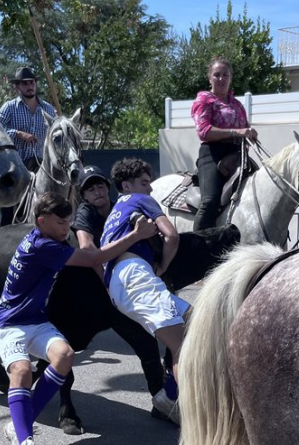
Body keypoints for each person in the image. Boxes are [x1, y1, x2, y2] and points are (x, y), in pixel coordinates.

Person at [0, 191, 156, 444]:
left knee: (65, 356)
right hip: (10, 324)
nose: (66, 229)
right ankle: (24, 439)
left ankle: (19, 425)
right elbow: (95, 257)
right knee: (22, 371)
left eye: (69, 222)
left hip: (36, 321)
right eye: (61, 223)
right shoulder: (42, 246)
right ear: (41, 221)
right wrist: (136, 235)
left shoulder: (45, 239)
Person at [100, 157, 187, 424]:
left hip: (120, 283)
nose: (150, 189)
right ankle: (181, 408)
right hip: (137, 276)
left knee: (195, 321)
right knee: (184, 345)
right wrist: (162, 266)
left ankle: (167, 398)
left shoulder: (116, 212)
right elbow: (172, 236)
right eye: (145, 182)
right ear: (127, 185)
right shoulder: (140, 200)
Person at [190, 57, 258, 231]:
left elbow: (244, 128)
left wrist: (250, 133)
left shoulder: (237, 104)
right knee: (210, 201)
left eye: (225, 75)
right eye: (217, 75)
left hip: (238, 155)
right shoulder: (204, 100)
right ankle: (196, 246)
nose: (221, 79)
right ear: (209, 78)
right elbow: (204, 131)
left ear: (230, 78)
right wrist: (236, 132)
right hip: (213, 154)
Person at [0, 66, 56, 227]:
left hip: (40, 164)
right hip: (15, 163)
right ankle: (3, 230)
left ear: (36, 84)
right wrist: (18, 134)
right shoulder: (9, 107)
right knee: (7, 199)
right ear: (17, 87)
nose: (29, 86)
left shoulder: (48, 109)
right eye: (25, 84)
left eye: (32, 83)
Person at [71, 165, 112, 279]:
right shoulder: (85, 211)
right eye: (91, 190)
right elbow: (86, 246)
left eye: (100, 186)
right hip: (96, 274)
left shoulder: (119, 207)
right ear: (84, 196)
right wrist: (106, 278)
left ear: (107, 187)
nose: (97, 193)